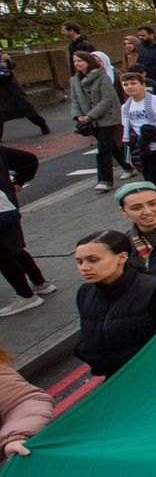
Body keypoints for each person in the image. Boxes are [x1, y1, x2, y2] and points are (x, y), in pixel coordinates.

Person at [72, 229, 156, 378]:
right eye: (79, 261)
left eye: (93, 260)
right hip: (114, 378)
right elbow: (88, 333)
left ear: (122, 257)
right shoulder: (85, 292)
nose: (84, 267)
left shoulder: (154, 290)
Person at [0, 145, 54, 317]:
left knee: (3, 255)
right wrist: (17, 181)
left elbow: (28, 161)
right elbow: (28, 161)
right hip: (7, 206)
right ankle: (40, 284)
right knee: (14, 249)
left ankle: (26, 296)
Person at [70, 52, 124, 192]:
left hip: (107, 118)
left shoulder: (102, 77)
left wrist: (90, 116)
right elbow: (75, 100)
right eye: (75, 61)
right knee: (109, 144)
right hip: (90, 119)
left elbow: (107, 100)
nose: (77, 64)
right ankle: (128, 165)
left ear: (88, 61)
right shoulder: (75, 80)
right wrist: (77, 116)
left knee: (103, 148)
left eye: (80, 61)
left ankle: (105, 180)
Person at [118, 71, 156, 191]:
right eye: (125, 84)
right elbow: (129, 131)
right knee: (154, 188)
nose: (129, 87)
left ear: (143, 85)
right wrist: (131, 154)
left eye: (133, 83)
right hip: (144, 152)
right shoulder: (125, 107)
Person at [0, 54, 50, 140]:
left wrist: (7, 60)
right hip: (2, 90)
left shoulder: (1, 56)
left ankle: (42, 124)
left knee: (26, 108)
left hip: (11, 87)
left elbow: (11, 66)